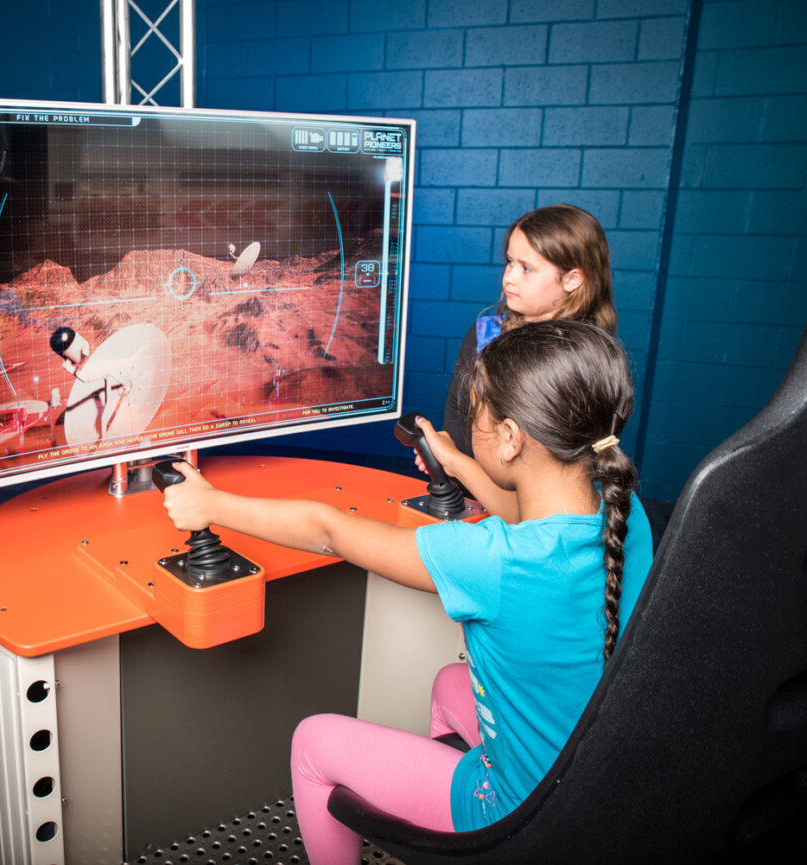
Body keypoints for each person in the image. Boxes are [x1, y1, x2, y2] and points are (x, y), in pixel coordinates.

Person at [160, 319, 652, 865]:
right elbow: (532, 515)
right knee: (449, 685)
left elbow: (331, 532)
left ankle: (465, 843)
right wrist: (461, 464)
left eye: (477, 415)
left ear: (511, 439)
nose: (471, 426)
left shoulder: (491, 560)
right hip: (598, 791)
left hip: (516, 817)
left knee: (314, 744)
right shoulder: (623, 512)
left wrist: (212, 505)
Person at [443, 204, 615, 460]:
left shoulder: (583, 356)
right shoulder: (485, 332)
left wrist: (455, 464)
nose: (509, 277)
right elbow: (457, 416)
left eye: (526, 268)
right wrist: (444, 453)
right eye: (510, 262)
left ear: (572, 279)